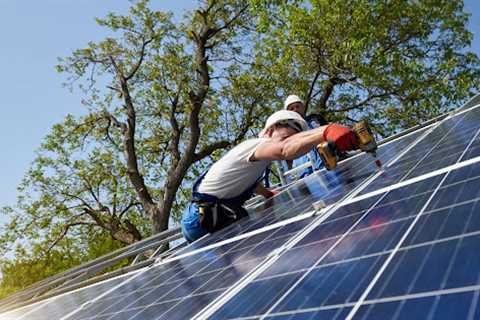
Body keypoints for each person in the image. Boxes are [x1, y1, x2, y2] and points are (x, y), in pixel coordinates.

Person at [181, 110, 359, 243]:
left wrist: (266, 193)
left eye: (296, 137)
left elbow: (247, 179)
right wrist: (326, 131)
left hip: (210, 217)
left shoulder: (258, 156)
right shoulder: (258, 144)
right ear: (270, 130)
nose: (293, 140)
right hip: (202, 218)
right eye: (289, 135)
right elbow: (284, 150)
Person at [283, 95, 328, 178]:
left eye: (297, 106)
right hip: (306, 176)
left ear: (303, 107)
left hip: (326, 165)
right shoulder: (287, 133)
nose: (295, 110)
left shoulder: (315, 119)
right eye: (291, 108)